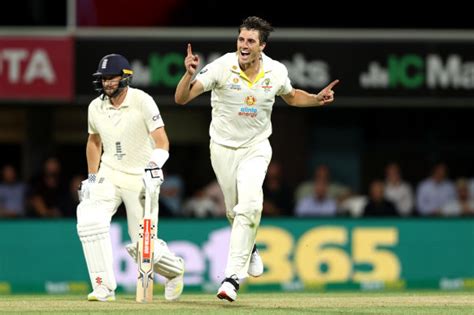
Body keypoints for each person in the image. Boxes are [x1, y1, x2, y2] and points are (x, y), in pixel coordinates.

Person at [175, 16, 338, 302]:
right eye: (241, 39)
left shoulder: (276, 71)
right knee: (233, 212)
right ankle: (249, 250)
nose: (244, 45)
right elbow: (182, 99)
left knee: (250, 205)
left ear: (262, 45)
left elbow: (291, 96)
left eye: (251, 41)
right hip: (223, 148)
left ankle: (232, 278)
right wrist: (188, 74)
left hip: (256, 147)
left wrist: (315, 98)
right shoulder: (222, 67)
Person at [76, 53, 184, 302]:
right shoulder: (95, 106)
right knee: (89, 220)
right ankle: (103, 286)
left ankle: (175, 270)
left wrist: (154, 167)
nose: (106, 83)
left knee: (142, 248)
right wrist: (92, 178)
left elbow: (162, 142)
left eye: (111, 78)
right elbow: (93, 142)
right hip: (110, 173)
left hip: (140, 177)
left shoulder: (143, 101)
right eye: (103, 79)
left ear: (125, 78)